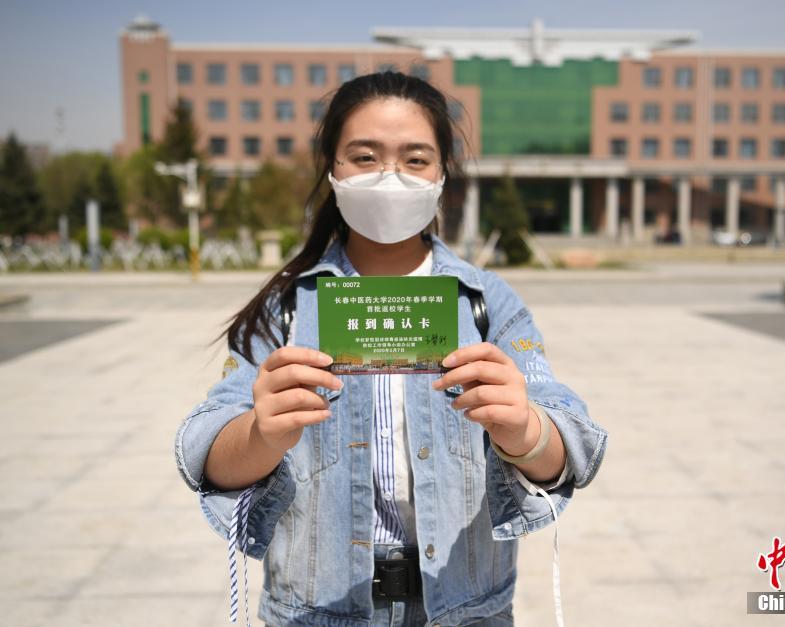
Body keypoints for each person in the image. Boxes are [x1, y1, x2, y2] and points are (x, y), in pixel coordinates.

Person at [175, 71, 607, 627]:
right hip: (316, 613)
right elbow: (206, 449)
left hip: (467, 612)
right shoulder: (285, 309)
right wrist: (261, 434)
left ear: (442, 174)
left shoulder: (486, 302)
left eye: (415, 159)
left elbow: (572, 445)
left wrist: (525, 430)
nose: (390, 177)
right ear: (333, 169)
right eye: (365, 157)